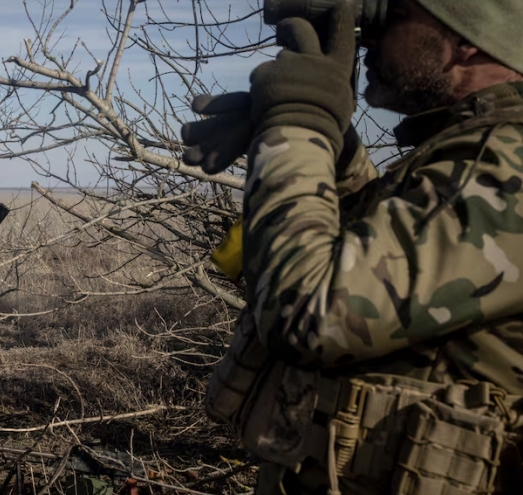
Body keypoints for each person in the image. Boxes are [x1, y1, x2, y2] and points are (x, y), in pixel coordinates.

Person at [183, 1, 523, 494]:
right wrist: (332, 146)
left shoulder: (506, 168)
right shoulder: (477, 154)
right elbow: (378, 266)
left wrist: (297, 123)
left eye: (397, 15)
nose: (366, 39)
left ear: (467, 38)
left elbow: (310, 311)